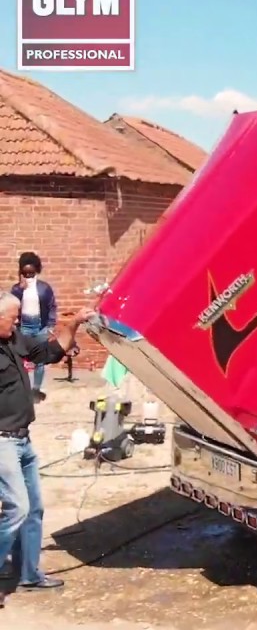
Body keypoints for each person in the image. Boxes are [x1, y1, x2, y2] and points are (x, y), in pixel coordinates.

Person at [0, 294, 94, 593]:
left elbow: (50, 352)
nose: (17, 321)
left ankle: (28, 574)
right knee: (17, 508)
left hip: (22, 441)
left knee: (34, 509)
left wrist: (75, 322)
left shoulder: (13, 338)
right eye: (12, 317)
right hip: (1, 443)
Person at [10, 253, 57, 397]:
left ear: (37, 271)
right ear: (21, 273)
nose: (29, 275)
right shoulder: (17, 289)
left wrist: (50, 325)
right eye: (25, 273)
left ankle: (36, 389)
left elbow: (52, 306)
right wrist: (20, 288)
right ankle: (25, 388)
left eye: (31, 273)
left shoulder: (44, 288)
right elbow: (12, 305)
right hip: (24, 327)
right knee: (22, 359)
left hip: (40, 326)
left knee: (40, 360)